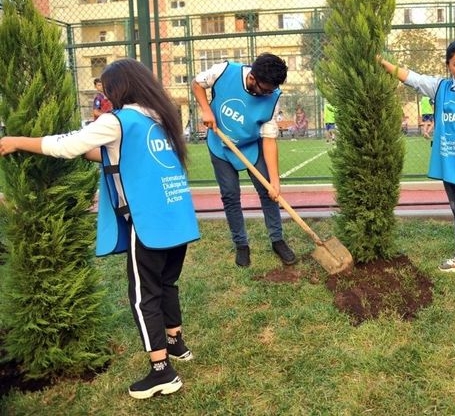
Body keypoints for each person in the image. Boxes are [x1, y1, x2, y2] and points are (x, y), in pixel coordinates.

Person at [0, 58, 200, 399]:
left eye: (107, 91)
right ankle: (175, 343)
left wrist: (17, 141)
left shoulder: (118, 120)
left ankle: (162, 371)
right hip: (177, 216)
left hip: (149, 221)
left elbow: (66, 145)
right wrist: (87, 151)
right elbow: (119, 155)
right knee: (167, 282)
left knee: (142, 296)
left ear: (119, 89)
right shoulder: (161, 117)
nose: (106, 98)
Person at [378, 40, 455, 280]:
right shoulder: (440, 87)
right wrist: (382, 63)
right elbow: (412, 78)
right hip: (450, 160)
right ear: (448, 65)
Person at [190, 52, 296, 268]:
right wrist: (206, 109)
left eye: (272, 90)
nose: (269, 93)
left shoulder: (273, 97)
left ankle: (277, 240)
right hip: (220, 146)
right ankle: (241, 245)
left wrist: (274, 181)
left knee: (269, 194)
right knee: (230, 195)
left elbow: (268, 139)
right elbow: (197, 84)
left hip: (251, 147)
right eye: (265, 90)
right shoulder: (224, 71)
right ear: (252, 79)